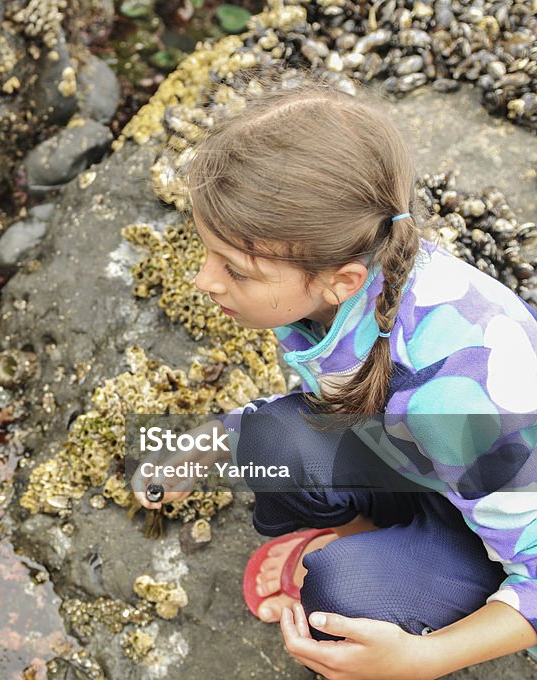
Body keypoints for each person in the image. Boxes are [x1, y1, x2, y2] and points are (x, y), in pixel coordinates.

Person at [132, 79, 537, 679]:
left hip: (502, 527)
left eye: (234, 270)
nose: (203, 281)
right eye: (207, 252)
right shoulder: (336, 286)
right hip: (420, 458)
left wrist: (421, 660)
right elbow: (329, 399)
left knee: (340, 603)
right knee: (259, 440)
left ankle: (391, 575)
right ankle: (363, 529)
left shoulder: (460, 395)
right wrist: (213, 440)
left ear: (340, 280)